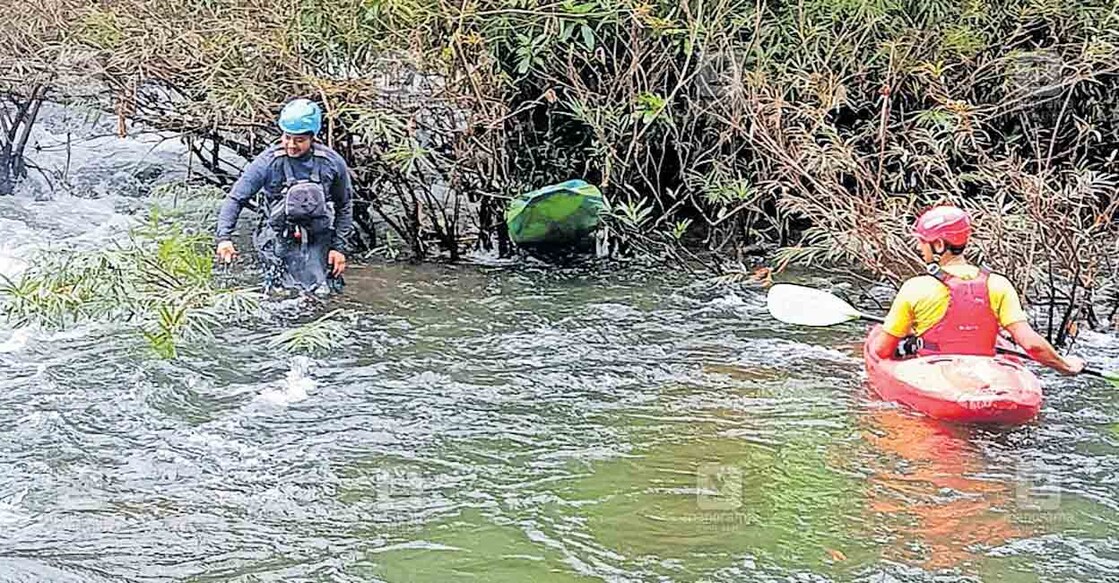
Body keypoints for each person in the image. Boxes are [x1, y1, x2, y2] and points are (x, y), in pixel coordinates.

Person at [868, 205, 1085, 375]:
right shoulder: (998, 284)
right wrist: (1066, 365)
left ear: (939, 245)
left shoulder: (916, 288)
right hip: (986, 373)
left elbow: (881, 351)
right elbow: (1032, 345)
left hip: (934, 375)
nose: (918, 247)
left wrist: (908, 335)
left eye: (923, 241)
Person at [215, 98, 353, 294]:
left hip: (318, 235)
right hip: (277, 235)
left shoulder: (331, 163)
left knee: (321, 291)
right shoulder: (267, 162)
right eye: (287, 137)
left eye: (299, 140)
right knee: (280, 291)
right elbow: (236, 198)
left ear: (312, 137)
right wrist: (224, 238)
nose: (291, 145)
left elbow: (344, 205)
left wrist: (339, 248)